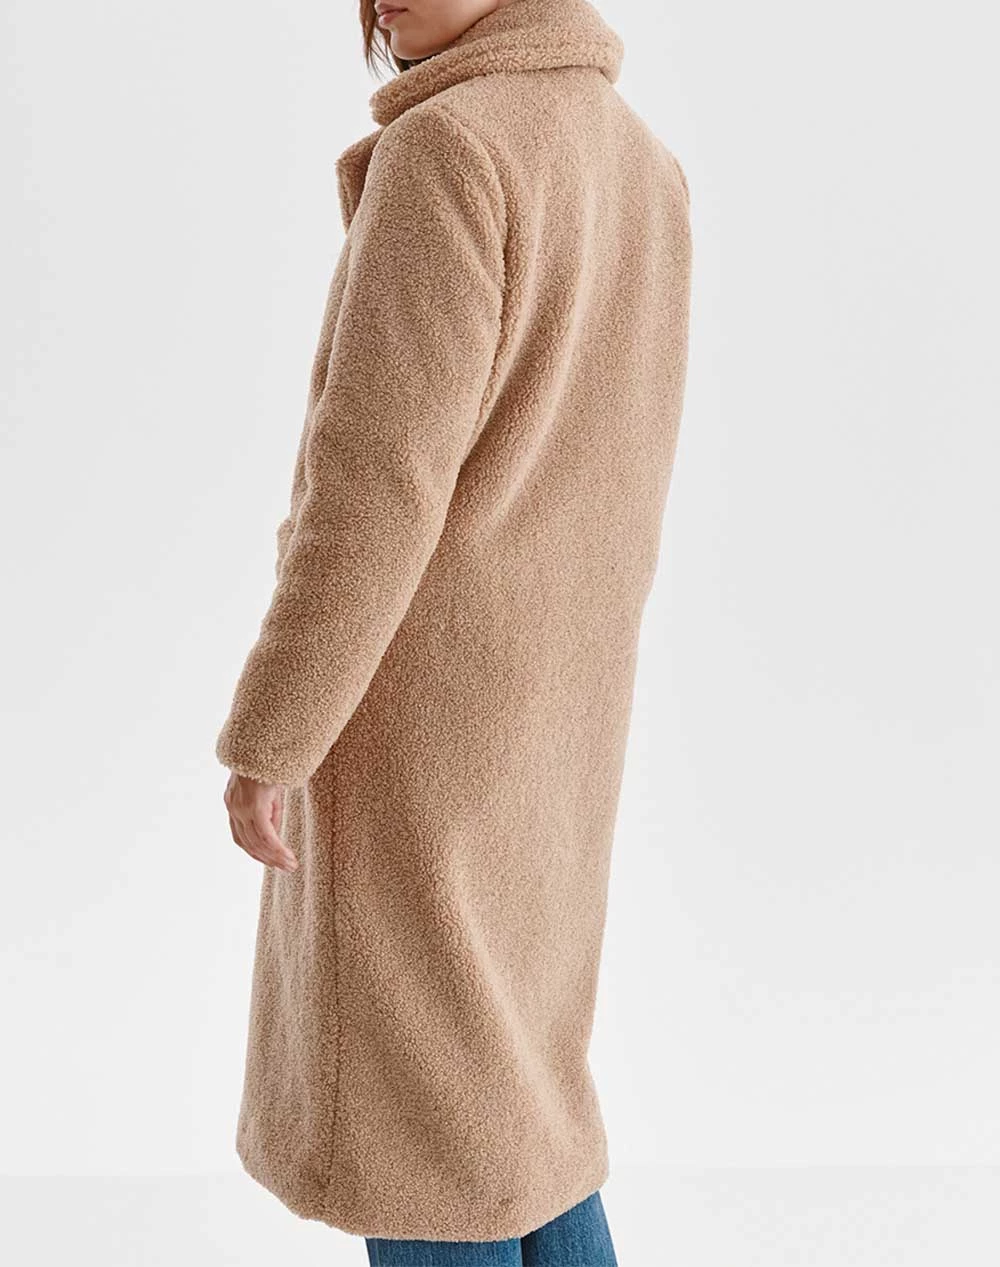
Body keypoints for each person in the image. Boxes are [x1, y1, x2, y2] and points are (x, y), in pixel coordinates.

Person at [215, 0, 692, 1262]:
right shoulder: (638, 160)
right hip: (561, 713)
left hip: (422, 711)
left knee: (421, 1134)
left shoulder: (450, 151)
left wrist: (273, 733)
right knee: (517, 1100)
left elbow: (374, 487)